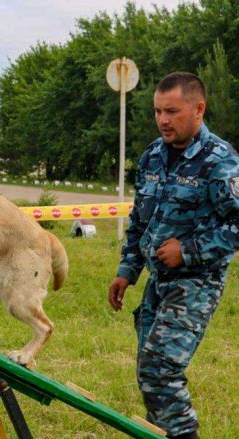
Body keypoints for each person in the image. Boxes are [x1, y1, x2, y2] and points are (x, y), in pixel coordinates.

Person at [108, 72, 239, 439]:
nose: (163, 120)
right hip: (156, 283)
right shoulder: (152, 156)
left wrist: (189, 250)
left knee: (159, 369)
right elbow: (139, 220)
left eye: (172, 111)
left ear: (199, 109)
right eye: (157, 112)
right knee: (149, 375)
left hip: (196, 283)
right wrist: (127, 269)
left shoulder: (220, 161)